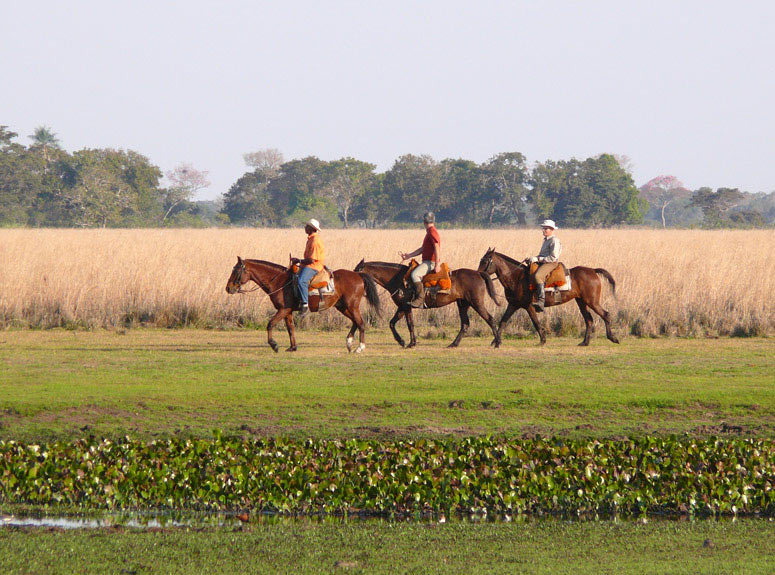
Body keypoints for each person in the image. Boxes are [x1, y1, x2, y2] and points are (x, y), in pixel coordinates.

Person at [400, 212, 440, 308]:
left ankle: (420, 299)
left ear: (424, 221)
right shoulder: (429, 232)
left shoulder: (432, 232)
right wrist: (409, 256)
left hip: (430, 262)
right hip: (427, 262)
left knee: (415, 274)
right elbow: (423, 249)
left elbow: (436, 247)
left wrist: (437, 264)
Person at [292, 218, 325, 318]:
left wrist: (299, 261)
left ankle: (305, 305)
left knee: (301, 280)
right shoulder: (311, 239)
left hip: (314, 266)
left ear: (311, 228)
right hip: (308, 264)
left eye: (307, 226)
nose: (305, 228)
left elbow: (311, 260)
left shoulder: (315, 241)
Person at [526, 219, 561, 312]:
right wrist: (533, 258)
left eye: (546, 229)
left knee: (538, 276)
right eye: (543, 228)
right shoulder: (546, 240)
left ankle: (541, 301)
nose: (544, 230)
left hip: (551, 263)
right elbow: (543, 255)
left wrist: (537, 259)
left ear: (552, 230)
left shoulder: (554, 240)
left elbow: (553, 257)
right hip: (544, 262)